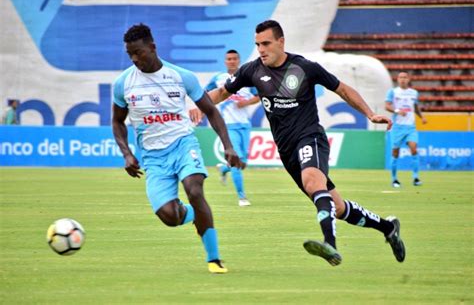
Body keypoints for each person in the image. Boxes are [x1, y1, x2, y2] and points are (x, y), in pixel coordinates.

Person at [205, 20, 406, 266]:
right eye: (257, 44)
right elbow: (222, 93)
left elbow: (342, 89)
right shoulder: (252, 70)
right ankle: (388, 227)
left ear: (281, 41)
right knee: (338, 208)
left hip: (310, 137)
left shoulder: (304, 67)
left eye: (266, 43)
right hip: (287, 150)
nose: (261, 49)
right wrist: (195, 106)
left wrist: (369, 114)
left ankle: (330, 244)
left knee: (313, 181)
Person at [112, 24, 243, 274]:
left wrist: (228, 146)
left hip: (183, 143)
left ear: (153, 47)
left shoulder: (182, 76)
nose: (134, 59)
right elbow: (117, 121)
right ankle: (199, 214)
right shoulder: (123, 83)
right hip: (152, 156)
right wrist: (127, 153)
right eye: (130, 54)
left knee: (194, 189)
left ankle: (214, 259)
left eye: (138, 52)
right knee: (169, 217)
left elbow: (211, 111)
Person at [205, 49, 260, 207]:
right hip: (228, 125)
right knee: (237, 161)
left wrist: (246, 102)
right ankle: (242, 197)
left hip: (245, 124)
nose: (232, 61)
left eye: (234, 58)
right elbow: (205, 94)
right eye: (229, 59)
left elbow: (259, 96)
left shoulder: (247, 78)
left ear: (239, 60)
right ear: (225, 61)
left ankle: (223, 169)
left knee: (243, 162)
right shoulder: (218, 78)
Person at [385, 72, 427, 188]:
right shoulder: (393, 92)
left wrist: (422, 117)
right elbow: (387, 106)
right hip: (397, 127)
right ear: (397, 79)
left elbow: (415, 107)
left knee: (414, 148)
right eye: (400, 77)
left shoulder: (414, 93)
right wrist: (398, 111)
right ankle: (394, 179)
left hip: (411, 127)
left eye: (405, 77)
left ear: (408, 79)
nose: (403, 79)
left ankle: (416, 177)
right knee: (395, 152)